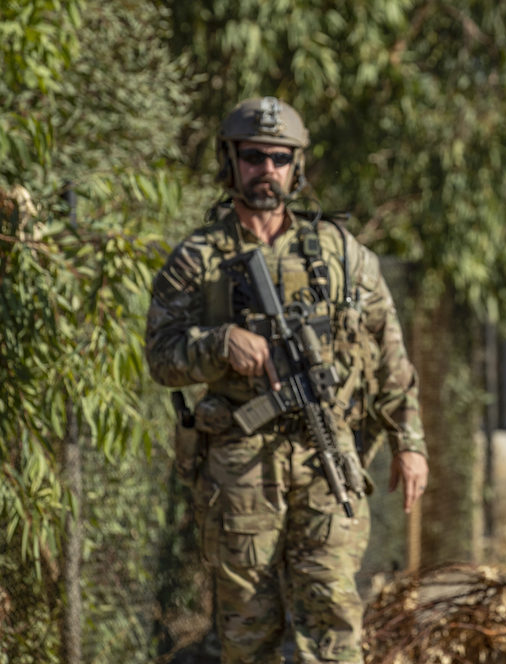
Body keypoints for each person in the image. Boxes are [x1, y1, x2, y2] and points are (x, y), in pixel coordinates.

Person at [145, 97, 429, 664]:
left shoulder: (342, 255)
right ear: (231, 162)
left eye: (279, 158)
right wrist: (220, 344)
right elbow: (162, 357)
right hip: (240, 468)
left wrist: (409, 442)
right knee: (248, 632)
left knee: (333, 620)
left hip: (328, 458)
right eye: (254, 156)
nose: (266, 170)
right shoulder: (196, 259)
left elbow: (388, 347)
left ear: (296, 167)